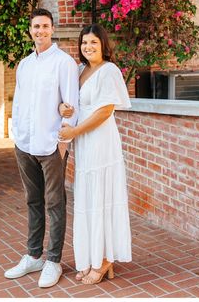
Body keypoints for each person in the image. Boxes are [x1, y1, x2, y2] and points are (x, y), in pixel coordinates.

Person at [4, 8, 79, 288]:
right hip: (25, 144)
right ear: (30, 30)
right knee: (33, 201)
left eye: (45, 26)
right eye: (36, 26)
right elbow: (20, 103)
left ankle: (53, 260)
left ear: (52, 28)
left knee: (55, 203)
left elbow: (71, 107)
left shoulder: (64, 63)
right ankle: (34, 255)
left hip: (51, 146)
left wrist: (62, 144)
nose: (40, 31)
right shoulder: (25, 64)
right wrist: (17, 135)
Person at [58, 24, 132, 285]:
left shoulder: (109, 71)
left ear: (103, 45)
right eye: (84, 43)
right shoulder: (80, 70)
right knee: (89, 196)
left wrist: (75, 130)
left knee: (102, 194)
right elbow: (72, 102)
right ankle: (92, 256)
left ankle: (105, 260)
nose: (88, 47)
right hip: (84, 143)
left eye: (94, 43)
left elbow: (104, 111)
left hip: (100, 140)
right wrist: (64, 108)